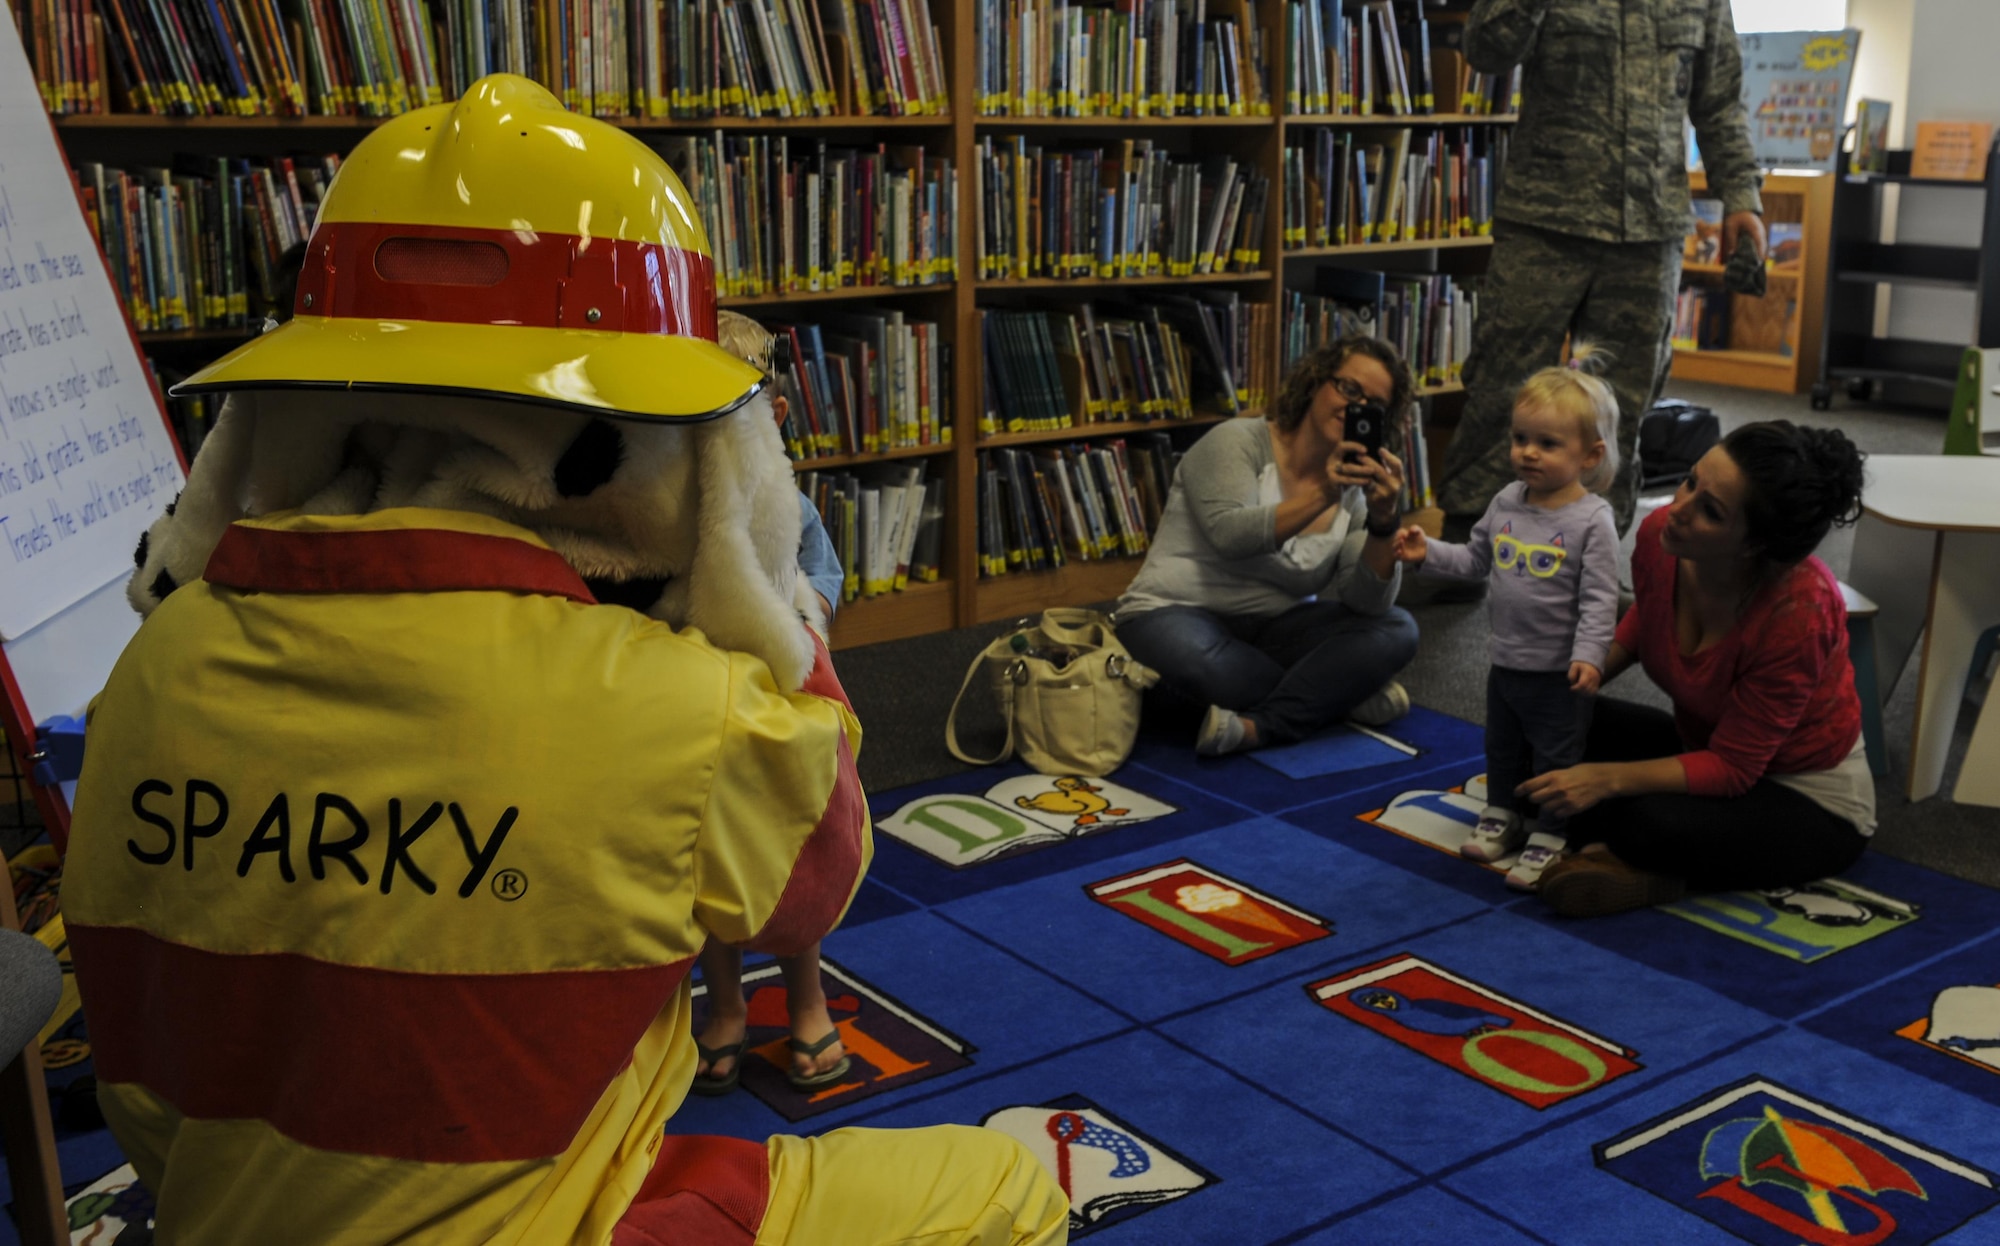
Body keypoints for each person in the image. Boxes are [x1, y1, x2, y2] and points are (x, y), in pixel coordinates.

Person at [66, 74, 1067, 1246]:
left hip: (218, 1215)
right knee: (1006, 1190)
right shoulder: (678, 708)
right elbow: (810, 890)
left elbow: (135, 1059)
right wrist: (759, 589)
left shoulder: (155, 660)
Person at [1434, 0, 1766, 539]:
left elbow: (1721, 101)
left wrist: (1741, 196)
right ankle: (1470, 535)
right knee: (1503, 386)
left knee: (1620, 406)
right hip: (1545, 220)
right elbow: (1486, 49)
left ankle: (1592, 549)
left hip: (1649, 229)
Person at [1519, 422, 1872, 917]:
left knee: (1645, 822)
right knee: (1533, 721)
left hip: (1804, 795)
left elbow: (1734, 769)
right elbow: (1650, 616)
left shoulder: (1799, 613)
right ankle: (1619, 853)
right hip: (1704, 750)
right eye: (1690, 481)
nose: (1678, 510)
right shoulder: (1663, 538)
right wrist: (1582, 675)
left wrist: (1606, 780)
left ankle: (1642, 867)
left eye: (1710, 511)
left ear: (1753, 546)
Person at [1116, 338, 1420, 756]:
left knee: (1398, 629)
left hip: (1273, 630)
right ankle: (1331, 698)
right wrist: (1324, 493)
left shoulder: (1356, 489)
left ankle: (1264, 724)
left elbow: (1366, 602)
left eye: (1372, 404)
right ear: (1316, 382)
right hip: (1173, 613)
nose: (1356, 407)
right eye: (1349, 390)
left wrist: (1385, 523)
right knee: (1208, 670)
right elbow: (1231, 537)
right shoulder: (1237, 441)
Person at [692, 311, 852, 1096]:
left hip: (782, 693)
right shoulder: (671, 498)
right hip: (699, 700)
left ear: (774, 417)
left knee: (795, 847)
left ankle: (806, 996)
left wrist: (807, 613)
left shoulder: (783, 499)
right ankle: (724, 1003)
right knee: (712, 852)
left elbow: (821, 570)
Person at [1393, 347, 1621, 890]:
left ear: (1590, 456)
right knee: (1502, 744)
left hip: (1558, 672)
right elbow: (1474, 561)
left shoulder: (1593, 521)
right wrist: (1429, 553)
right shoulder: (1506, 502)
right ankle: (1501, 814)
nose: (1528, 453)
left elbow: (1599, 598)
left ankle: (1550, 833)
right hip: (1506, 662)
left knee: (1556, 753)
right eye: (1520, 439)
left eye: (1547, 443)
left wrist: (1590, 657)